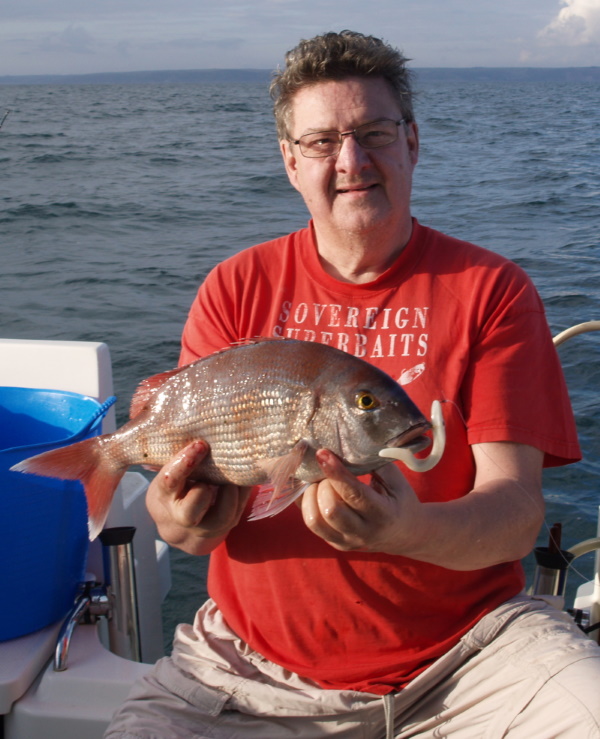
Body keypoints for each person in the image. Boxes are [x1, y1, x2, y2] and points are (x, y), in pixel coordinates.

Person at [105, 30, 600, 738]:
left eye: (374, 132)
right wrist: (182, 521)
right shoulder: (235, 288)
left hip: (472, 656)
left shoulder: (492, 291)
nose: (352, 161)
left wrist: (410, 530)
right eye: (321, 142)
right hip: (253, 671)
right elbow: (189, 522)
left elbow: (518, 511)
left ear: (413, 142)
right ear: (289, 161)